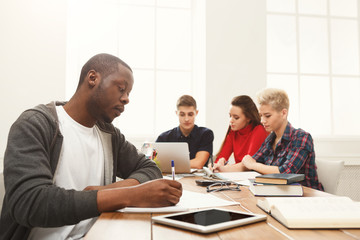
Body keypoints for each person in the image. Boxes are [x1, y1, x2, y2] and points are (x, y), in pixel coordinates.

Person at [0, 53, 182, 240]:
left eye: (128, 94)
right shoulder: (35, 124)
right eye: (121, 89)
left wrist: (108, 192)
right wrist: (130, 195)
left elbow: (149, 168)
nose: (127, 99)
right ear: (93, 78)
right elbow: (29, 203)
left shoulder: (108, 134)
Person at [241, 88, 324, 190]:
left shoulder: (302, 137)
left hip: (307, 197)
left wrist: (253, 165)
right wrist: (221, 169)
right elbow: (251, 162)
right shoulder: (270, 139)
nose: (262, 121)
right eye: (261, 116)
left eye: (267, 116)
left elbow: (285, 172)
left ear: (284, 113)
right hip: (280, 193)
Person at [210, 95, 268, 172]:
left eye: (236, 117)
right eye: (230, 116)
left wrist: (224, 168)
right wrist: (217, 164)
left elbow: (249, 164)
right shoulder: (233, 132)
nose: (231, 120)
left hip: (254, 177)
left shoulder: (259, 130)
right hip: (240, 176)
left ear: (248, 118)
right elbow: (221, 157)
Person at [156, 95, 214, 169]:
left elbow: (198, 164)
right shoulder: (164, 137)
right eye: (182, 114)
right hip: (170, 178)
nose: (186, 119)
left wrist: (169, 164)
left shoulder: (206, 134)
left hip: (197, 179)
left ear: (196, 113)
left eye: (190, 114)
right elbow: (155, 163)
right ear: (177, 113)